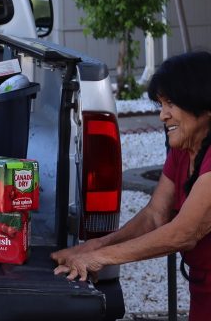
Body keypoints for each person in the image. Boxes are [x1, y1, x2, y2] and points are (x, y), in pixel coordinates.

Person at [51, 51, 211, 321]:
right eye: (160, 104)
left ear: (204, 105)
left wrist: (101, 258)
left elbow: (184, 232)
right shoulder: (184, 149)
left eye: (170, 104)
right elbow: (154, 215)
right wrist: (94, 246)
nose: (163, 115)